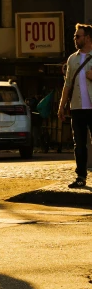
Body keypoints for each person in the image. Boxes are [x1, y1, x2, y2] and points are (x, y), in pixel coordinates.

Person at [58, 23, 92, 187]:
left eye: (78, 36)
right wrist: (62, 106)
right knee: (79, 144)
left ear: (87, 38)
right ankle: (81, 177)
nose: (75, 39)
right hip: (77, 108)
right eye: (74, 36)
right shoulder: (72, 59)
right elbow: (67, 85)